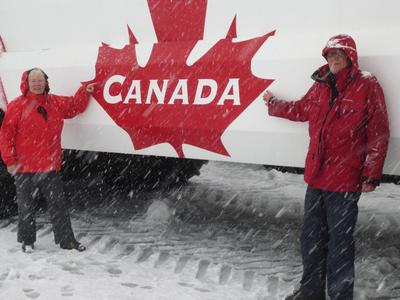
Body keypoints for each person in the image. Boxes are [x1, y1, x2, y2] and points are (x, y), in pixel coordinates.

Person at [263, 34, 389, 300]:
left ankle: (341, 295)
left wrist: (371, 174)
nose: (333, 59)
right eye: (330, 55)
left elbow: (378, 132)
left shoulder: (366, 84)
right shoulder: (320, 85)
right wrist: (274, 105)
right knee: (311, 239)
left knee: (340, 244)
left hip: (345, 180)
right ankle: (311, 292)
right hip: (316, 177)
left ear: (349, 58)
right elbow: (300, 109)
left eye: (338, 55)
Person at [0, 68, 96, 253]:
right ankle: (27, 241)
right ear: (26, 83)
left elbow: (75, 106)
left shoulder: (55, 102)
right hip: (24, 167)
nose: (37, 83)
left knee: (59, 206)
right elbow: (5, 136)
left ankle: (67, 240)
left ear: (45, 82)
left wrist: (85, 90)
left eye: (40, 80)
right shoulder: (16, 106)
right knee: (26, 207)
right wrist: (9, 161)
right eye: (33, 80)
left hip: (49, 166)